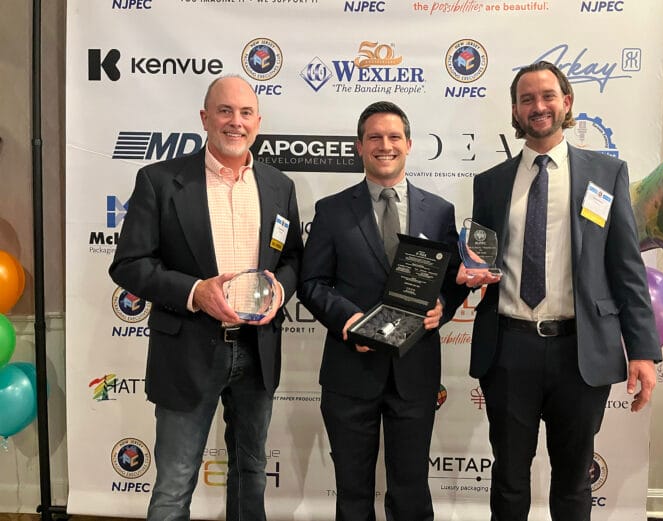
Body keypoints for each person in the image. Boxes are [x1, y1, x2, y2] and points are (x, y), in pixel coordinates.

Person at [456, 61, 662, 520]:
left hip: (580, 352)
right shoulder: (490, 184)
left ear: (567, 103)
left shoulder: (605, 175)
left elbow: (627, 268)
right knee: (509, 480)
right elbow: (481, 260)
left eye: (548, 96)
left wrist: (644, 351)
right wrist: (468, 277)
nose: (538, 106)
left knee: (573, 482)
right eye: (527, 98)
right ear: (515, 109)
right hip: (509, 350)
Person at [109, 75, 303, 521]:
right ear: (204, 118)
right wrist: (196, 292)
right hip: (188, 349)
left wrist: (280, 288)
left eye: (246, 113)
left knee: (251, 475)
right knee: (175, 483)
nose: (236, 122)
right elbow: (129, 264)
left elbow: (293, 258)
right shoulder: (159, 181)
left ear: (258, 122)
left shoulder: (279, 186)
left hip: (258, 350)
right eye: (225, 111)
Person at [299, 101, 464, 521]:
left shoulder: (440, 211)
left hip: (415, 372)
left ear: (409, 144)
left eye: (394, 137)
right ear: (359, 146)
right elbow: (311, 283)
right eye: (374, 137)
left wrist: (443, 308)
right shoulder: (332, 211)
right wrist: (347, 321)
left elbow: (452, 280)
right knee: (353, 495)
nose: (384, 145)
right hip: (349, 373)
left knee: (410, 493)